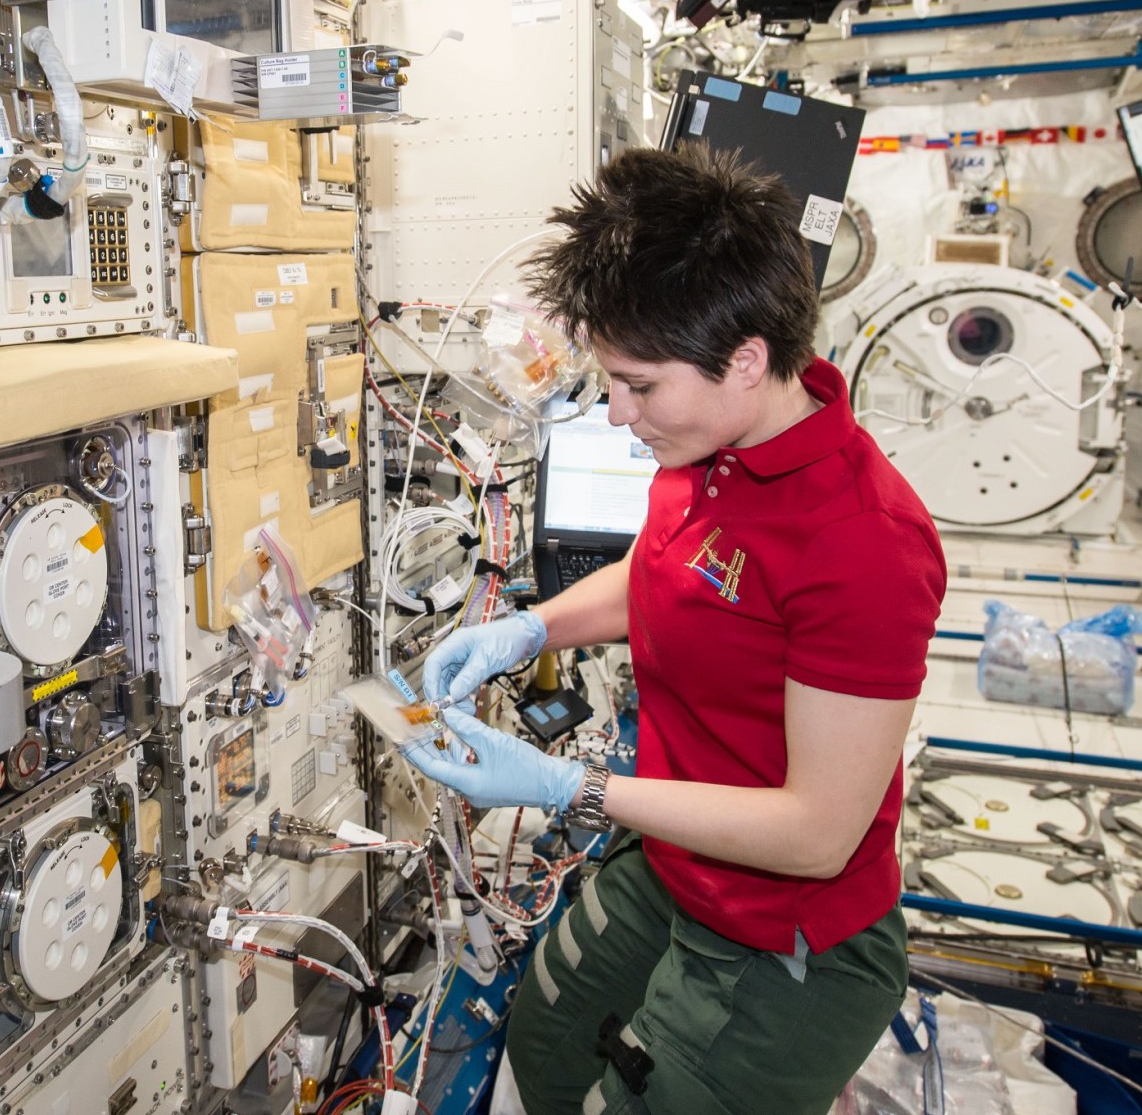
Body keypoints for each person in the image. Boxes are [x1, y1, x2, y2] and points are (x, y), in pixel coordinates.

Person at [400, 144, 946, 1115]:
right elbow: (666, 576)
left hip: (782, 934)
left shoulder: (862, 543)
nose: (616, 415)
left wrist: (578, 787)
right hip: (671, 865)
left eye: (638, 386)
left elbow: (820, 833)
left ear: (745, 359)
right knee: (547, 1038)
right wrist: (530, 630)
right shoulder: (711, 445)